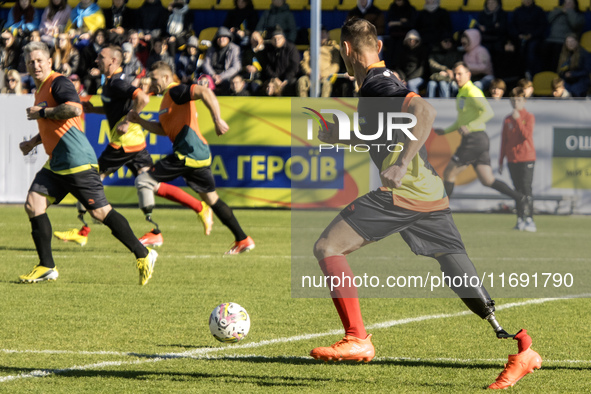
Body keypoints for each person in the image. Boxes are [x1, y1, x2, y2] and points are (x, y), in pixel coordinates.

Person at [309, 19, 541, 391]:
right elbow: (386, 133)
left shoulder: (377, 84)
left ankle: (358, 338)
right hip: (431, 193)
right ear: (380, 46)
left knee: (327, 246)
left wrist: (400, 165)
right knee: (455, 269)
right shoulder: (382, 81)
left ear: (346, 51)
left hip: (405, 193)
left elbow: (426, 114)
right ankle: (522, 347)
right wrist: (346, 136)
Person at [17, 41, 157, 285]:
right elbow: (54, 124)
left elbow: (73, 109)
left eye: (40, 60)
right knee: (33, 204)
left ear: (49, 62)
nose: (35, 65)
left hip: (76, 160)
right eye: (31, 62)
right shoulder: (40, 89)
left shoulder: (58, 82)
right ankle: (46, 266)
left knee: (100, 212)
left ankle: (143, 253)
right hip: (57, 161)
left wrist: (41, 113)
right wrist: (33, 142)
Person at [53, 45, 213, 248]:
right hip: (134, 142)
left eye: (101, 57)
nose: (96, 60)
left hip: (124, 142)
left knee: (89, 179)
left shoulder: (119, 82)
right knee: (151, 185)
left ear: (113, 61)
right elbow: (118, 108)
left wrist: (127, 121)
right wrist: (96, 110)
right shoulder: (110, 83)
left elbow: (142, 98)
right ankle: (197, 208)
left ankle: (83, 231)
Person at [128, 61, 255, 255]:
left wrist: (217, 119)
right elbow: (163, 129)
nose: (151, 83)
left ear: (166, 78)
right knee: (211, 199)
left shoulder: (175, 91)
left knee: (144, 180)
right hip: (195, 154)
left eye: (154, 79)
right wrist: (140, 121)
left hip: (188, 152)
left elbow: (204, 92)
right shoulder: (165, 100)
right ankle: (243, 239)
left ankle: (154, 231)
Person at [434, 62, 526, 213]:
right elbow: (461, 121)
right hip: (478, 139)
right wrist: (446, 131)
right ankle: (520, 197)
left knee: (449, 172)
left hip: (474, 139)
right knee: (487, 180)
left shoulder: (472, 91)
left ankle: (439, 212)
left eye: (460, 74)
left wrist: (469, 127)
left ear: (468, 75)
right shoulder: (462, 92)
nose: (457, 77)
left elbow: (488, 112)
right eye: (455, 74)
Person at [499, 87, 536, 232]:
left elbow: (526, 135)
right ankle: (520, 219)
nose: (516, 103)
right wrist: (501, 160)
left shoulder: (528, 117)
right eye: (513, 100)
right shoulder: (507, 119)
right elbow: (504, 140)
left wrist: (519, 119)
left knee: (527, 189)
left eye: (519, 100)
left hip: (527, 158)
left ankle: (530, 219)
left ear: (524, 101)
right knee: (517, 191)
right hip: (512, 159)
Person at [297, 27, 340, 97]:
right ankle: (304, 105)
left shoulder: (333, 48)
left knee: (326, 84)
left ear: (328, 35)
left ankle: (322, 105)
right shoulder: (311, 48)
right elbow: (304, 62)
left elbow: (335, 66)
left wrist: (322, 74)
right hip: (310, 75)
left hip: (326, 76)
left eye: (324, 34)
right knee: (301, 81)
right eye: (319, 34)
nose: (321, 36)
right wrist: (309, 72)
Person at [509, 0, 547, 76]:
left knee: (531, 50)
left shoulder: (538, 10)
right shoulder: (517, 11)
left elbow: (542, 27)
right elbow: (512, 26)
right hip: (519, 38)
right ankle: (518, 76)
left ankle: (531, 73)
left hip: (535, 38)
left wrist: (531, 35)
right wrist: (518, 34)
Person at [545, 0, 584, 71]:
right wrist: (558, 11)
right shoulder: (558, 13)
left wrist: (569, 12)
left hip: (564, 40)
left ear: (575, 5)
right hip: (551, 39)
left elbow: (575, 24)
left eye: (569, 3)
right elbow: (548, 19)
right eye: (565, 3)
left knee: (557, 53)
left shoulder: (578, 15)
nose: (567, 5)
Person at [259, 27, 299, 97]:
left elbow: (294, 66)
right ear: (271, 40)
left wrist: (286, 79)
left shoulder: (291, 48)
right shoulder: (268, 49)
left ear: (284, 38)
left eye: (279, 38)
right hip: (272, 77)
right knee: (269, 86)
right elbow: (266, 66)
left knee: (292, 84)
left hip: (288, 78)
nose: (277, 41)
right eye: (274, 39)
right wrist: (274, 78)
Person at [203, 27, 241, 96]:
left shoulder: (235, 48)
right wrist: (213, 75)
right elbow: (206, 64)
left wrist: (221, 77)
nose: (221, 39)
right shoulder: (211, 49)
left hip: (227, 75)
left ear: (229, 38)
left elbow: (236, 67)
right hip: (212, 75)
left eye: (224, 37)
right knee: (202, 82)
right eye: (219, 37)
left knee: (228, 84)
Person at [392, 29, 427, 93]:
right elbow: (398, 67)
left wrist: (408, 80)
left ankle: (415, 102)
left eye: (414, 40)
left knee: (411, 84)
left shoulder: (422, 51)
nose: (412, 41)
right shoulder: (402, 51)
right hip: (404, 77)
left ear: (418, 41)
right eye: (409, 39)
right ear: (406, 40)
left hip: (418, 77)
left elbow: (421, 69)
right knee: (398, 84)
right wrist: (403, 78)